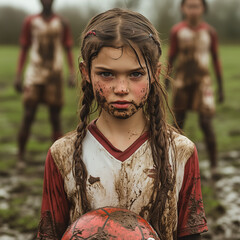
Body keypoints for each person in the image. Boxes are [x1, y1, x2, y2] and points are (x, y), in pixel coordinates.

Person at [37, 8, 208, 240]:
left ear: (155, 73)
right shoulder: (62, 154)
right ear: (86, 72)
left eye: (135, 74)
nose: (121, 88)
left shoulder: (181, 152)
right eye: (106, 74)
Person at [166, 0, 224, 176]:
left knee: (206, 123)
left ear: (203, 9)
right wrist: (167, 81)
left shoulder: (209, 32)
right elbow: (171, 57)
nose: (193, 10)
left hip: (203, 83)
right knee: (178, 124)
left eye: (196, 6)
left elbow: (215, 58)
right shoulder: (177, 31)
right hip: (182, 82)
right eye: (189, 6)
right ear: (183, 8)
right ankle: (173, 164)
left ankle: (214, 165)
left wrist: (221, 86)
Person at [14, 0, 75, 166]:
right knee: (28, 115)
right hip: (34, 74)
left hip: (54, 75)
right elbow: (24, 48)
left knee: (55, 117)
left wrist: (71, 72)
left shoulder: (62, 23)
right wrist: (18, 75)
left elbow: (68, 48)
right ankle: (20, 155)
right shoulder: (30, 22)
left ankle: (58, 159)